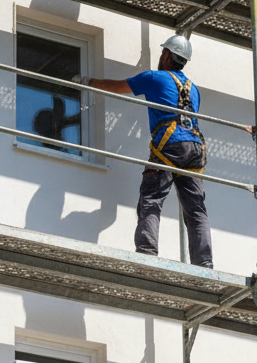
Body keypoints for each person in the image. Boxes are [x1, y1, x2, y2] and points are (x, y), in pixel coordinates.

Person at [87, 36, 212, 268]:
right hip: (195, 148)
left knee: (152, 200)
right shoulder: (194, 89)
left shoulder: (155, 77)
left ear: (166, 55)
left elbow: (118, 87)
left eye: (163, 52)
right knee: (196, 210)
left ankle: (147, 253)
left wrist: (89, 82)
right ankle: (204, 263)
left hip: (170, 145)